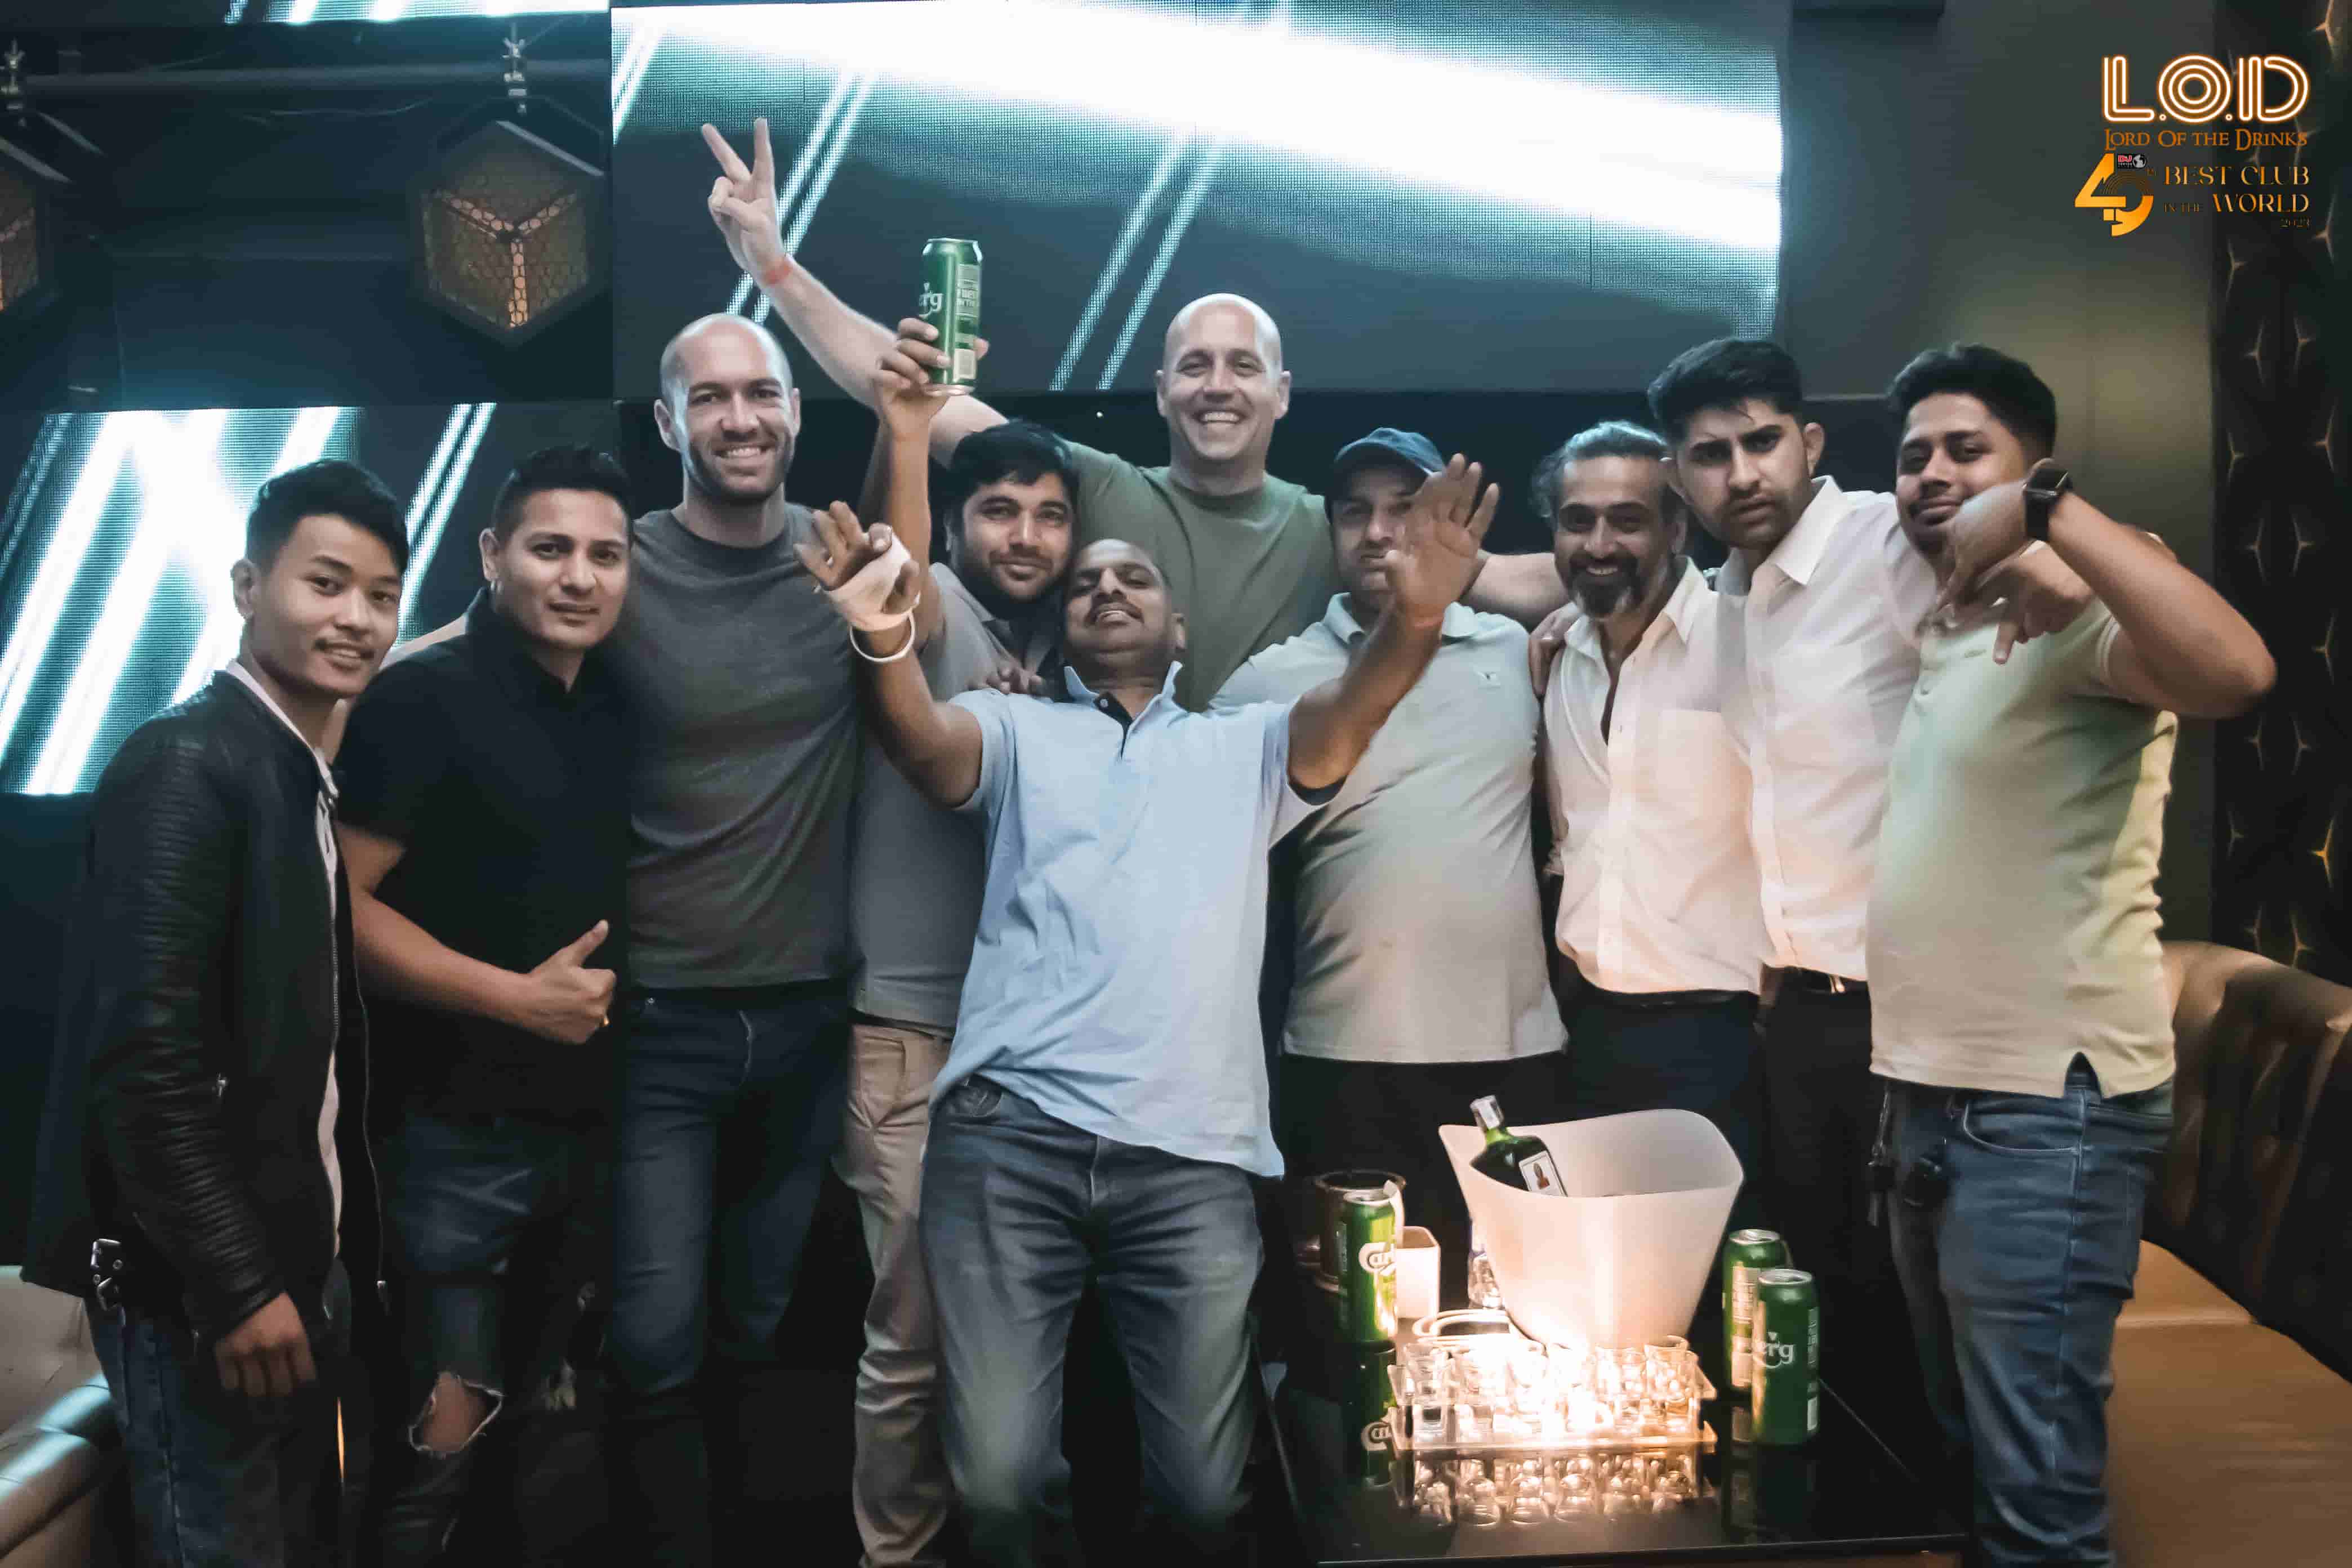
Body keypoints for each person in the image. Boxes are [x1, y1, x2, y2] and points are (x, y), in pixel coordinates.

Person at [800, 448, 1499, 1566]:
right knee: (998, 1488)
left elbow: (1358, 703)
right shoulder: (1011, 725)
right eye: (1087, 583)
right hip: (1009, 1142)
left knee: (1208, 1500)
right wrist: (882, 635)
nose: (1108, 589)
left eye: (1135, 580)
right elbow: (921, 744)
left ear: (1180, 634)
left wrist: (1416, 617)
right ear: (1063, 627)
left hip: (1191, 1158)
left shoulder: (1247, 745)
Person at [698, 118, 1570, 711]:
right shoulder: (1103, 487)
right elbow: (912, 395)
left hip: (1272, 842)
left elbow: (1518, 578)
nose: (1218, 386)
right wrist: (774, 267)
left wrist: (1622, 596)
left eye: (1242, 367)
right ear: (1160, 391)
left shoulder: (1334, 528)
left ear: (1281, 393)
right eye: (1195, 366)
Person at [1872, 344, 2271, 1565]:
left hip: (2048, 1111)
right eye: (1913, 456)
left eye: (1967, 450)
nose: (1932, 473)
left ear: (2034, 467)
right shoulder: (1956, 618)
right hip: (1929, 1097)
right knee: (1965, 1461)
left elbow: (2239, 673)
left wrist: (2057, 518)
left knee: (2037, 1507)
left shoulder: (2081, 605)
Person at [24, 459, 410, 1566]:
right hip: (203, 1291)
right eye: (325, 583)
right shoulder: (188, 764)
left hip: (283, 1268)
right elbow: (144, 1065)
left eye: (382, 595)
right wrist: (237, 1287)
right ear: (248, 586)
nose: (356, 618)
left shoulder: (285, 768)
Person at [332, 446, 635, 1565]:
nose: (580, 577)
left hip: (582, 1138)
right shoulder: (424, 695)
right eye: (551, 549)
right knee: (437, 1457)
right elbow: (337, 911)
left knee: (536, 1461)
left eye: (606, 555)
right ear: (492, 554)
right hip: (448, 1146)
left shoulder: (608, 696)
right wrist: (516, 1001)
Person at [602, 314, 865, 1562]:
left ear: (797, 414)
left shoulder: (839, 559)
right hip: (661, 1022)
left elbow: (933, 649)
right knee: (653, 1339)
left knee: (759, 1329)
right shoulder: (620, 563)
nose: (741, 417)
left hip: (811, 1016)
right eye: (710, 398)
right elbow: (480, 658)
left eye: (763, 393)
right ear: (668, 423)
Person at [1210, 427, 1561, 1305]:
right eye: (1354, 513)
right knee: (1352, 1319)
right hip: (1343, 1059)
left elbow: (1627, 566)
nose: (1377, 532)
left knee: (1511, 1316)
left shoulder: (1520, 653)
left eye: (1405, 509)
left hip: (1513, 1054)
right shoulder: (1271, 679)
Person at [838, 331, 1075, 1568]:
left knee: (1024, 1343)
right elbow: (898, 575)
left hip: (1033, 1054)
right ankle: (898, 1557)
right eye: (1000, 511)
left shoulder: (1077, 657)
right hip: (913, 1044)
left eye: (1048, 515)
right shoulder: (936, 614)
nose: (1025, 536)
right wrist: (910, 430)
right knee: (912, 1344)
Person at [1533, 421, 1766, 1200]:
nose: (1599, 544)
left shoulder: (1745, 637)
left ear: (1677, 529)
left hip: (1726, 1039)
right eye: (1578, 521)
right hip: (1584, 1035)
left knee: (1728, 1267)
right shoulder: (1562, 657)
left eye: (1627, 520)